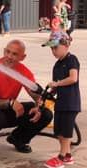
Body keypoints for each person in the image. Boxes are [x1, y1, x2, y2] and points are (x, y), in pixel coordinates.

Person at [0, 39, 53, 158]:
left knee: (45, 114)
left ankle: (17, 139)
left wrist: (39, 106)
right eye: (8, 52)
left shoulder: (24, 72)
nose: (9, 57)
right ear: (4, 51)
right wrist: (10, 103)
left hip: (8, 109)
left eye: (15, 54)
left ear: (23, 57)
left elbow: (36, 95)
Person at [42, 31, 81, 168]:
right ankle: (68, 156)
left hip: (70, 103)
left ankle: (61, 157)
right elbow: (57, 83)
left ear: (66, 45)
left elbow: (73, 78)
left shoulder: (71, 60)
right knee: (58, 131)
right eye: (51, 48)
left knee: (66, 131)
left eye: (55, 47)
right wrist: (52, 90)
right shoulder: (57, 65)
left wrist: (56, 84)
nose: (53, 51)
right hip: (60, 103)